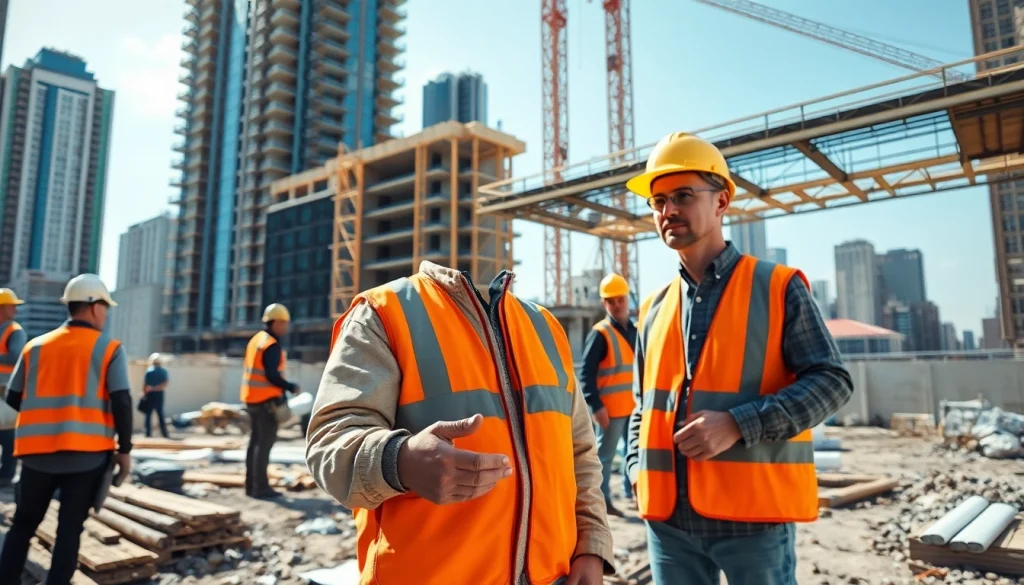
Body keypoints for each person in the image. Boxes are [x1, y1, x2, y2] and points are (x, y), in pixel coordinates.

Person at [622, 132, 854, 585]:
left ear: (722, 201)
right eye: (658, 201)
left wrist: (736, 424)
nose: (668, 211)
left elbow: (832, 381)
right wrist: (636, 471)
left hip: (753, 521)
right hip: (669, 523)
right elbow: (640, 407)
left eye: (683, 196)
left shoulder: (778, 287)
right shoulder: (652, 308)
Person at [306, 261, 613, 585]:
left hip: (554, 576)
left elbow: (579, 451)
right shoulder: (383, 313)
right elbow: (329, 443)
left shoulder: (545, 326)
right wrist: (401, 460)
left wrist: (592, 544)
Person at [0, 274, 133, 585]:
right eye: (106, 307)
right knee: (69, 531)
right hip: (86, 458)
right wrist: (124, 451)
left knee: (22, 526)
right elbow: (122, 402)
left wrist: (44, 419)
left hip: (35, 456)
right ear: (95, 307)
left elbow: (14, 396)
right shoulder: (109, 348)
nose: (106, 314)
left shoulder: (35, 347)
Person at [579, 273, 636, 517]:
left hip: (633, 406)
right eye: (611, 301)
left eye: (620, 299)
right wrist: (596, 405)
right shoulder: (600, 333)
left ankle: (630, 493)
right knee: (604, 456)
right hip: (609, 409)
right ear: (604, 304)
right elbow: (586, 373)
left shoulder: (634, 331)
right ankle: (602, 502)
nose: (616, 305)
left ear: (627, 299)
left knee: (633, 453)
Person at [241, 303, 298, 499]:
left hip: (252, 399)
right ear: (274, 322)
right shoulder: (271, 344)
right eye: (283, 323)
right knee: (264, 444)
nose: (285, 327)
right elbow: (272, 376)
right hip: (266, 401)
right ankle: (261, 488)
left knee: (255, 443)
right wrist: (291, 387)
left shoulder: (257, 339)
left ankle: (251, 486)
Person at [0, 289, 27, 487]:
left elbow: (16, 356)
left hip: (6, 389)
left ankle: (6, 475)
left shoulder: (14, 331)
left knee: (9, 435)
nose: (16, 309)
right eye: (12, 305)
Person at [142, 353, 170, 439]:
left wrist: (145, 393)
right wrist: (156, 388)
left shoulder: (149, 371)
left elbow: (145, 385)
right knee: (160, 413)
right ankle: (164, 433)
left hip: (150, 393)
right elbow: (165, 383)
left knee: (148, 414)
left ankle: (148, 433)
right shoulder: (163, 371)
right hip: (159, 393)